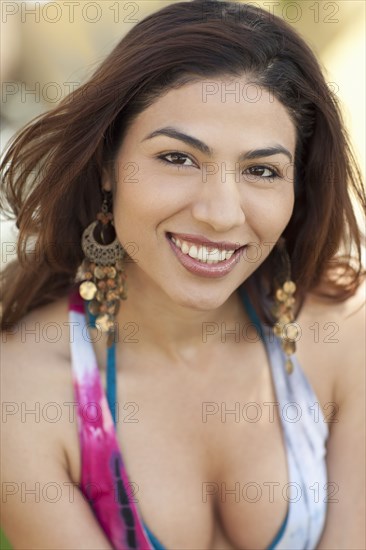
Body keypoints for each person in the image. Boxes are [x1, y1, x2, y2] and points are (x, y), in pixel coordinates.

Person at [1, 0, 365, 548]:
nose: (220, 213)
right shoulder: (25, 389)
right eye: (178, 158)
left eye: (262, 170)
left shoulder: (346, 329)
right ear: (106, 163)